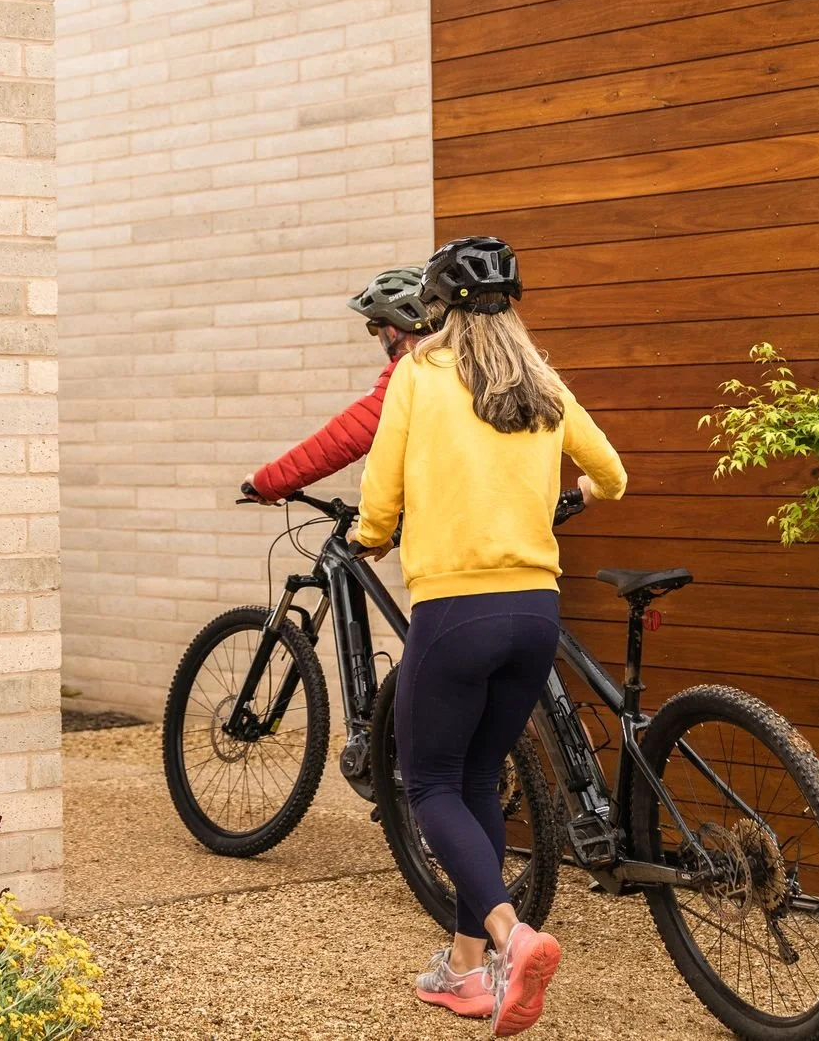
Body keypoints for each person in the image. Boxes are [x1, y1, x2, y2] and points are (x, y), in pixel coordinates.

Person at [351, 236, 626, 1038]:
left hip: (455, 611)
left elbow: (381, 489)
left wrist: (372, 535)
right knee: (476, 779)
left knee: (429, 782)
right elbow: (610, 473)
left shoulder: (419, 375)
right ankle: (468, 971)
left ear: (436, 310)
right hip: (534, 614)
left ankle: (514, 938)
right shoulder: (542, 380)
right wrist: (571, 487)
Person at [245, 266, 433, 505]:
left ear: (394, 328)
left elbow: (342, 438)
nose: (377, 336)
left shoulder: (413, 370)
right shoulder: (463, 362)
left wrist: (267, 482)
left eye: (375, 327)